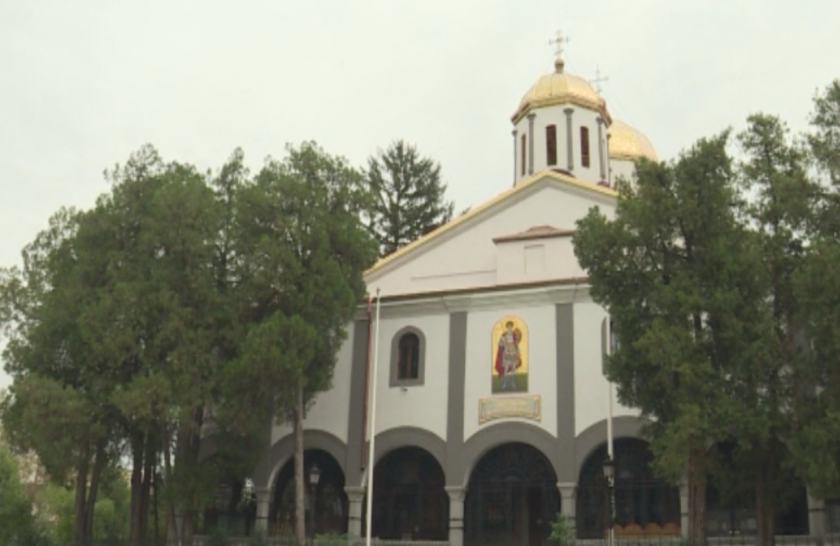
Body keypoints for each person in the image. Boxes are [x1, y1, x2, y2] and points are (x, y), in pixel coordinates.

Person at [495, 321, 522, 390]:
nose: (509, 328)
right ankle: (504, 384)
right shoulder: (504, 335)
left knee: (513, 368)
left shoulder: (514, 335)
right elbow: (500, 345)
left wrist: (518, 351)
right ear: (506, 327)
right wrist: (503, 341)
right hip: (507, 352)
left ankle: (513, 383)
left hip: (513, 352)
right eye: (508, 326)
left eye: (510, 326)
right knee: (506, 368)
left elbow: (516, 343)